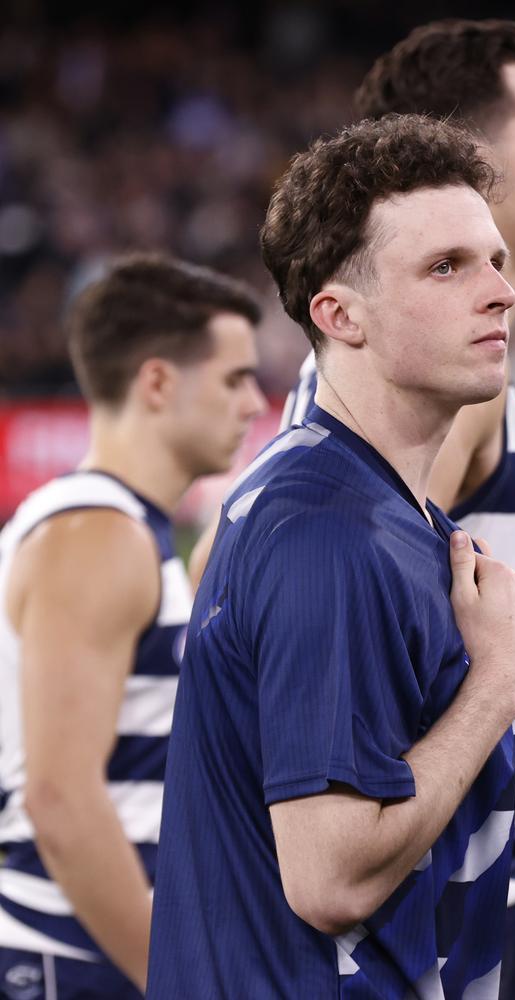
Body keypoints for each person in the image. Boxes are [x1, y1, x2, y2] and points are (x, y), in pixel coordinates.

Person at [146, 114, 515, 999]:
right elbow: (331, 878)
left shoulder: (382, 506)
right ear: (341, 314)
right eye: (446, 267)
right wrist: (496, 680)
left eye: (493, 260)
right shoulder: (326, 532)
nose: (500, 291)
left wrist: (508, 682)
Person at [274, 21, 515, 998]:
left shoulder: (371, 377)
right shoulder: (439, 399)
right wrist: (505, 673)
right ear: (469, 162)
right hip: (431, 931)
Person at [0, 253, 265, 998]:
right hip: (76, 959)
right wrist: (176, 978)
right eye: (234, 378)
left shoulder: (117, 532)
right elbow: (59, 798)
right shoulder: (98, 537)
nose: (253, 403)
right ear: (156, 382)